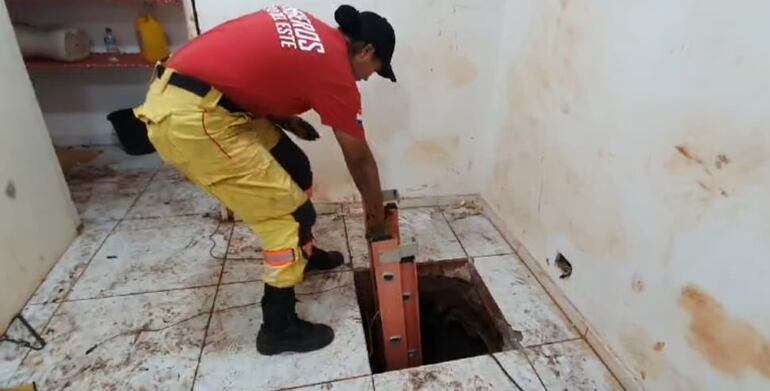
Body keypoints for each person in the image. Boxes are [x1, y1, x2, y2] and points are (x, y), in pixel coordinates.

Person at [133, 4, 396, 355]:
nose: (366, 78)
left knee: (294, 166)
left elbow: (256, 66)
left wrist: (284, 117)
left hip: (204, 97)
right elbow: (360, 160)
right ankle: (278, 327)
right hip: (193, 118)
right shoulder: (335, 71)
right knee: (287, 215)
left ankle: (303, 252)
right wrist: (376, 219)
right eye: (374, 70)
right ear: (366, 51)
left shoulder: (312, 31)